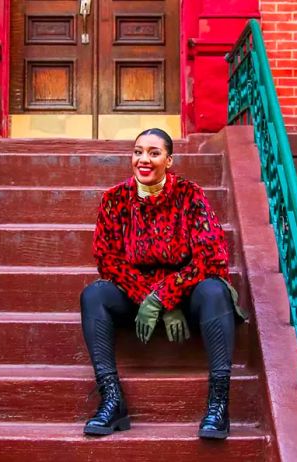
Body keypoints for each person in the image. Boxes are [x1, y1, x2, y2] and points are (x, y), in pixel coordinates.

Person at [80, 128, 247, 439]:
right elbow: (108, 260)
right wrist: (152, 298)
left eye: (154, 153)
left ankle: (218, 406)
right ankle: (112, 401)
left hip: (189, 296)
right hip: (135, 296)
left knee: (215, 289)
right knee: (94, 295)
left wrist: (164, 299)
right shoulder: (114, 199)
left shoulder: (190, 195)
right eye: (138, 152)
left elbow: (212, 257)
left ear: (169, 160)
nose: (144, 159)